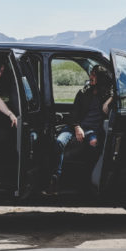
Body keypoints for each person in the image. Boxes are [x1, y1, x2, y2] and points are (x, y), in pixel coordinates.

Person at [45, 65, 114, 194]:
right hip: (74, 127)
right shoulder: (83, 93)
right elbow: (73, 115)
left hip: (92, 131)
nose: (90, 77)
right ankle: (55, 179)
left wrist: (108, 101)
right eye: (91, 74)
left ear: (101, 78)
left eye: (94, 75)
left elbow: (121, 91)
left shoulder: (106, 94)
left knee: (94, 144)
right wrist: (77, 128)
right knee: (59, 142)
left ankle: (86, 181)